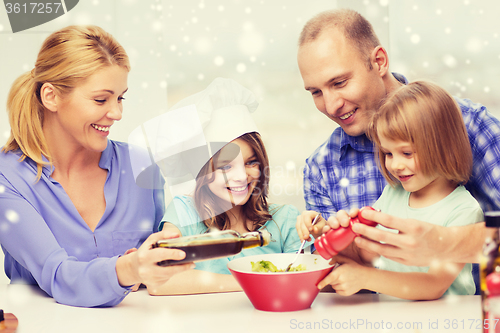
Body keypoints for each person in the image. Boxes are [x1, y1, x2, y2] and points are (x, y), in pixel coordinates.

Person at [0, 25, 193, 307]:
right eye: (101, 99)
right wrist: (130, 267)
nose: (116, 113)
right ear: (51, 96)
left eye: (120, 97)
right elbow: (56, 275)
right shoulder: (9, 177)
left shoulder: (141, 166)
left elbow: (158, 266)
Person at [296, 8, 500, 267]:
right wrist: (327, 241)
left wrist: (445, 242)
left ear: (379, 61)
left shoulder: (469, 124)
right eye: (316, 92)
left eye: (339, 83)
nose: (331, 105)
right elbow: (330, 276)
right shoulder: (321, 168)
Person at [308, 81, 483, 299]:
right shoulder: (394, 194)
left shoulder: (462, 209)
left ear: (444, 147)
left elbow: (434, 285)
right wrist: (335, 236)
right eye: (388, 154)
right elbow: (368, 256)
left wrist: (364, 278)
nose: (395, 165)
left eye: (407, 153)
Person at [146, 78, 308, 295]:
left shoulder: (285, 220)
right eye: (225, 166)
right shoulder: (185, 213)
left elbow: (302, 282)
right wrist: (254, 283)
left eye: (251, 162)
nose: (241, 176)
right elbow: (159, 280)